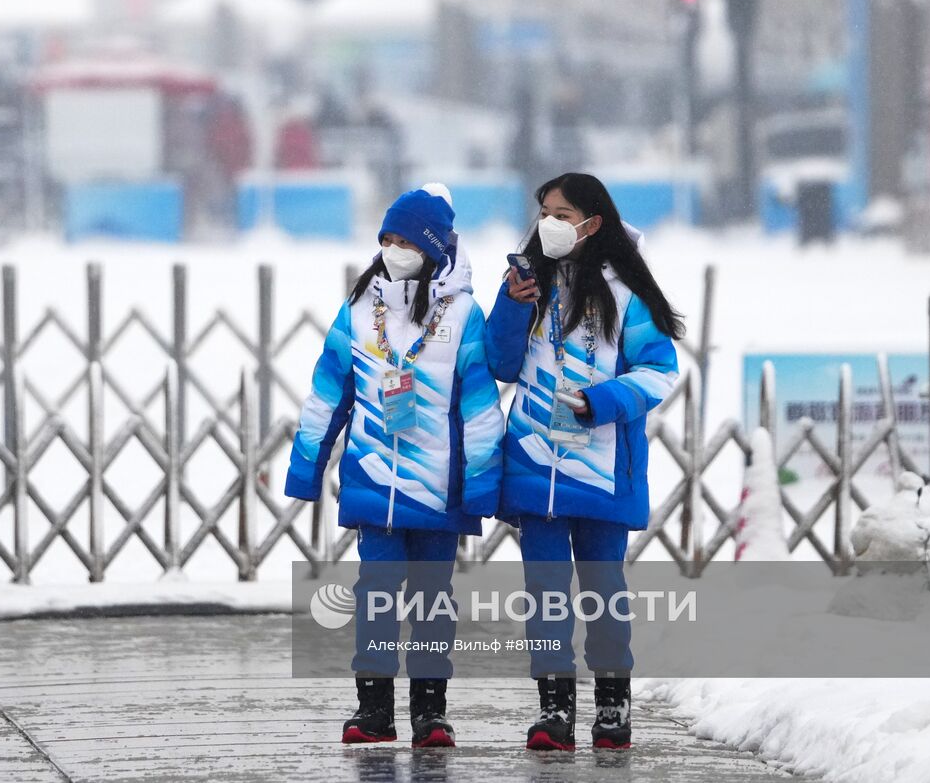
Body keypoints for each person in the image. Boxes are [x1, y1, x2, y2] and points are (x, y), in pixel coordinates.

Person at [285, 183, 504, 748]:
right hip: (373, 482)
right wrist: (306, 467)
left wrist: (483, 486)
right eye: (385, 237)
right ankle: (374, 710)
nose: (392, 248)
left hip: (439, 492)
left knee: (433, 600)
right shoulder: (360, 309)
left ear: (432, 245)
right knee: (376, 595)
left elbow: (481, 408)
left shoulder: (464, 316)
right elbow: (327, 394)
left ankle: (431, 713)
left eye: (404, 238)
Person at [485, 172, 683, 751]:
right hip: (534, 469)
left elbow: (659, 372)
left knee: (602, 593)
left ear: (593, 223)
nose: (549, 222)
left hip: (602, 470)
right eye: (544, 210)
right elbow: (499, 363)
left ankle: (613, 708)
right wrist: (509, 305)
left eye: (563, 213)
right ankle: (554, 712)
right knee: (544, 595)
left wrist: (603, 402)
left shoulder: (628, 295)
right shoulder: (528, 283)